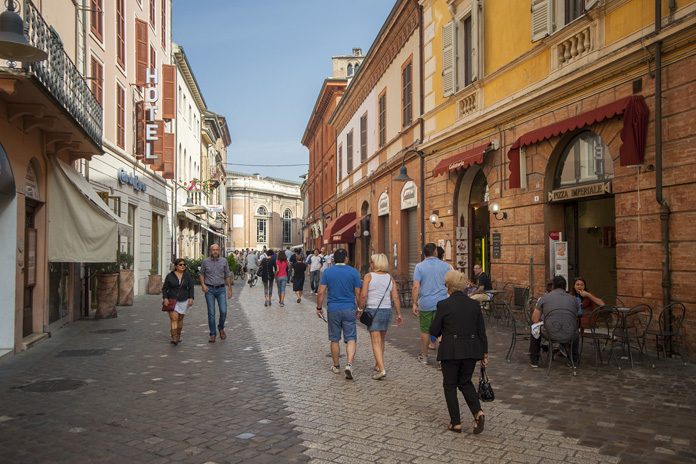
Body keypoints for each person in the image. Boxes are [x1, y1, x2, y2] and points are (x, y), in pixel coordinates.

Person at [430, 270, 488, 434]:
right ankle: (478, 412)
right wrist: (485, 354)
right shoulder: (474, 305)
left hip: (451, 350)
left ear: (448, 286)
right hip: (471, 350)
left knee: (450, 385)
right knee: (465, 382)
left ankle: (456, 422)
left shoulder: (444, 304)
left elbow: (434, 330)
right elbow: (481, 332)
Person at [315, 248, 362, 380]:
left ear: (334, 260)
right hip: (349, 308)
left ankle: (336, 366)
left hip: (333, 309)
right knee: (351, 338)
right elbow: (358, 292)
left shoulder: (328, 272)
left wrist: (319, 307)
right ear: (346, 259)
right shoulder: (353, 272)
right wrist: (360, 308)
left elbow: (321, 291)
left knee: (334, 338)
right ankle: (349, 364)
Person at [358, 253, 402, 380]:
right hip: (386, 311)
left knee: (375, 342)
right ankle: (378, 364)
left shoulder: (369, 276)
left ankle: (382, 369)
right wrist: (399, 313)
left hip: (373, 311)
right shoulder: (390, 278)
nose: (370, 264)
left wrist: (360, 308)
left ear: (376, 263)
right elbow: (395, 297)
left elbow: (363, 295)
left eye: (371, 262)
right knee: (381, 340)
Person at [412, 243, 451, 365]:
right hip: (443, 303)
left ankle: (424, 356)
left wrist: (414, 303)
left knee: (425, 330)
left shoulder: (419, 266)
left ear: (424, 253)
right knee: (443, 331)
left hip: (426, 303)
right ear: (435, 252)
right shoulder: (446, 266)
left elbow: (416, 286)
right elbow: (450, 283)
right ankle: (442, 359)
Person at [529, 275, 579, 367]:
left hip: (550, 333)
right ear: (565, 286)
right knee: (576, 330)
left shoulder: (544, 298)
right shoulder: (574, 299)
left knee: (534, 328)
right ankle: (574, 359)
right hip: (569, 333)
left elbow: (534, 319)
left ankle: (534, 359)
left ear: (553, 286)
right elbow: (576, 316)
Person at [199, 244, 232, 343]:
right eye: (213, 250)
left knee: (223, 311)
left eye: (217, 249)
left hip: (221, 289)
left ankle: (221, 327)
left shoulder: (224, 261)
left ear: (219, 251)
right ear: (210, 251)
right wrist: (203, 285)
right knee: (211, 313)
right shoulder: (205, 262)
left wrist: (229, 288)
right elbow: (201, 274)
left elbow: (227, 275)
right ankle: (213, 334)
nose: (215, 251)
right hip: (209, 290)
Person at [162, 258, 195, 345]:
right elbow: (165, 288)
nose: (182, 266)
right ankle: (174, 337)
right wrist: (165, 298)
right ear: (176, 266)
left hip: (184, 300)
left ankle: (178, 335)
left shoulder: (187, 275)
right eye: (180, 264)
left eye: (184, 265)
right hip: (172, 300)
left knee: (180, 318)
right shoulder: (170, 276)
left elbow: (191, 287)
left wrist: (191, 298)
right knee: (174, 318)